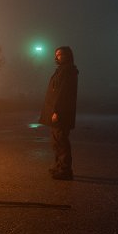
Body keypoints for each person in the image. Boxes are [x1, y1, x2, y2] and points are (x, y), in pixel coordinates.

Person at [39, 46, 79, 180]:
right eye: (56, 54)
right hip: (57, 112)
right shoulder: (62, 70)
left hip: (61, 113)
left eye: (60, 54)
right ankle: (58, 166)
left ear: (67, 55)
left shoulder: (68, 71)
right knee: (56, 141)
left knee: (61, 141)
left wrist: (57, 111)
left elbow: (63, 94)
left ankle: (65, 170)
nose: (57, 57)